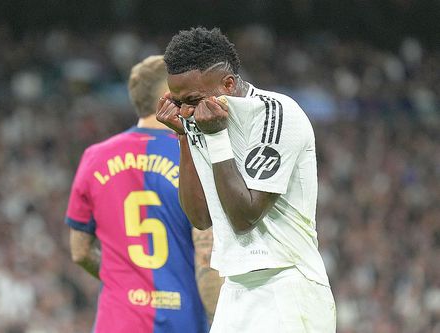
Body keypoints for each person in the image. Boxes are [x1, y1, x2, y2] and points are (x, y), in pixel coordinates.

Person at [156, 27, 336, 332]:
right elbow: (200, 217)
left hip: (288, 285)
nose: (186, 110)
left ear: (227, 83)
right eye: (178, 101)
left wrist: (214, 137)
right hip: (236, 288)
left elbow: (244, 216)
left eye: (193, 99)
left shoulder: (276, 115)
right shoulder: (200, 119)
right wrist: (183, 137)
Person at [64, 55, 210, 332]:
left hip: (117, 319)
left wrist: (125, 281)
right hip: (183, 318)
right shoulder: (193, 156)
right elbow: (208, 252)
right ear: (169, 95)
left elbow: (80, 252)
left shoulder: (95, 157)